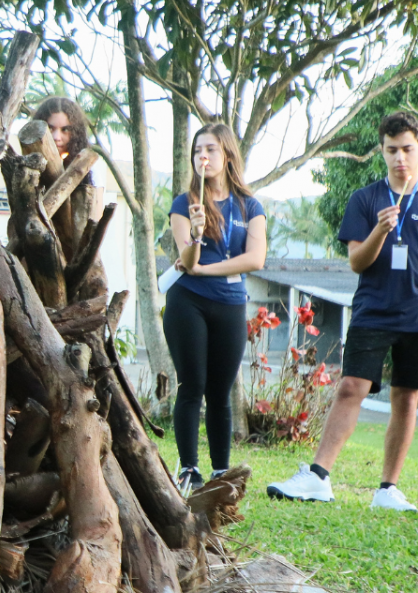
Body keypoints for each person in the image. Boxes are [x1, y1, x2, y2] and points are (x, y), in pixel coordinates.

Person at [268, 111, 418, 512]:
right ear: (381, 152)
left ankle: (387, 490)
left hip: (417, 315)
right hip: (374, 310)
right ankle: (318, 477)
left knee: (407, 397)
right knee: (353, 385)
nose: (399, 158)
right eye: (391, 150)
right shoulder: (365, 199)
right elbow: (356, 262)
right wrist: (379, 232)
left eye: (407, 149)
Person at [164, 122, 266, 490]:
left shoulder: (249, 206)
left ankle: (221, 473)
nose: (202, 157)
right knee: (191, 384)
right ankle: (189, 469)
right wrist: (194, 232)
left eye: (209, 149)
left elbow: (255, 258)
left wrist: (209, 268)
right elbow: (188, 263)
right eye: (196, 151)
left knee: (220, 392)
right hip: (187, 302)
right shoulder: (184, 203)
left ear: (226, 155)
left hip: (230, 304)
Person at [30, 96, 104, 220]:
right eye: (50, 128)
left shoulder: (89, 169)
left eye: (65, 130)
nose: (56, 137)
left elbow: (95, 220)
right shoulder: (28, 168)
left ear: (76, 133)